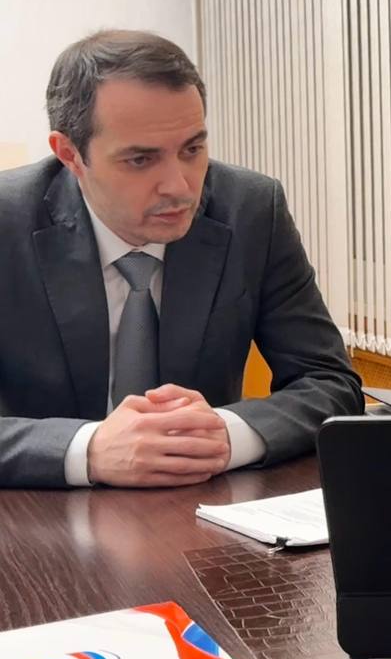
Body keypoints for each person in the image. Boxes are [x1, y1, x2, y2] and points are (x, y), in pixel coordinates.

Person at [0, 30, 363, 489]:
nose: (180, 186)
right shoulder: (9, 222)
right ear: (70, 155)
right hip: (39, 513)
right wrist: (88, 449)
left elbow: (330, 382)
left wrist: (227, 435)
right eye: (140, 160)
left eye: (192, 149)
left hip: (202, 503)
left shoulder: (250, 210)